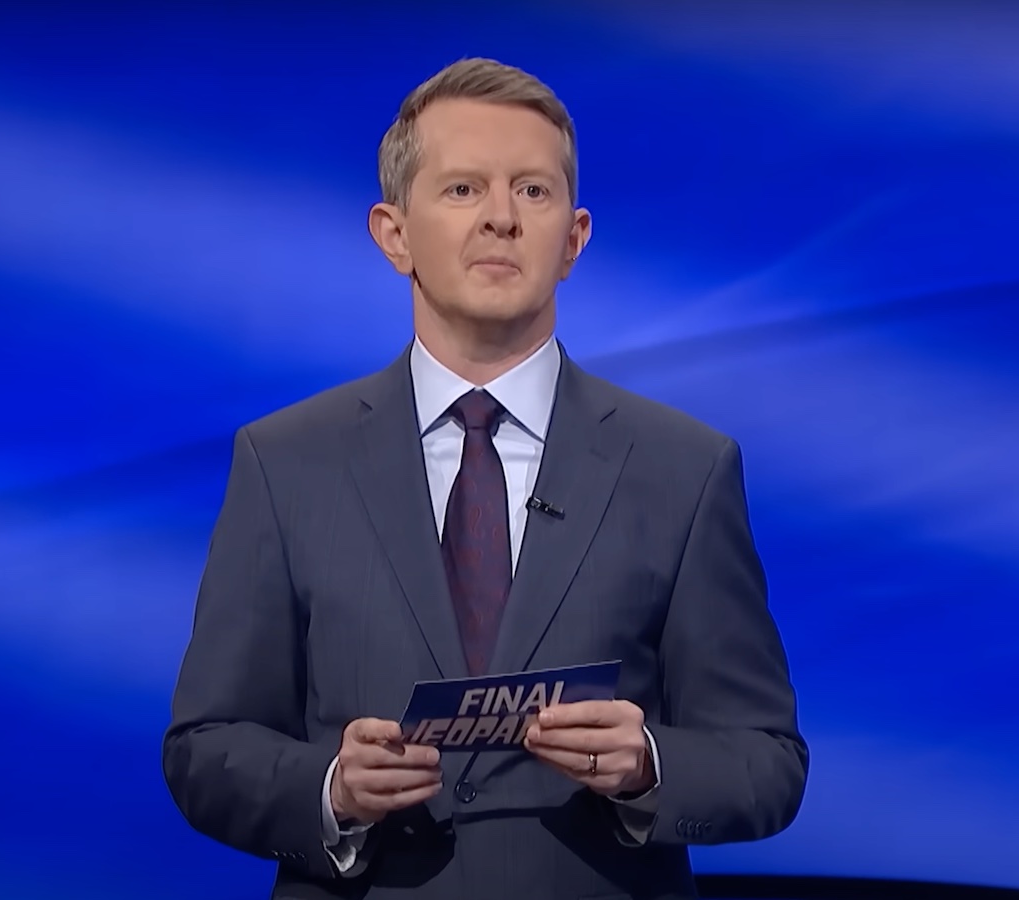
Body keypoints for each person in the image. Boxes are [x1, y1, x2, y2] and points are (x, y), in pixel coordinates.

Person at [162, 57, 808, 900]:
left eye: (532, 192)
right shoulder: (285, 462)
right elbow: (206, 746)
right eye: (463, 190)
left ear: (574, 241)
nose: (501, 218)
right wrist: (331, 790)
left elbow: (767, 761)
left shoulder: (684, 467)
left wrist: (649, 764)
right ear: (394, 234)